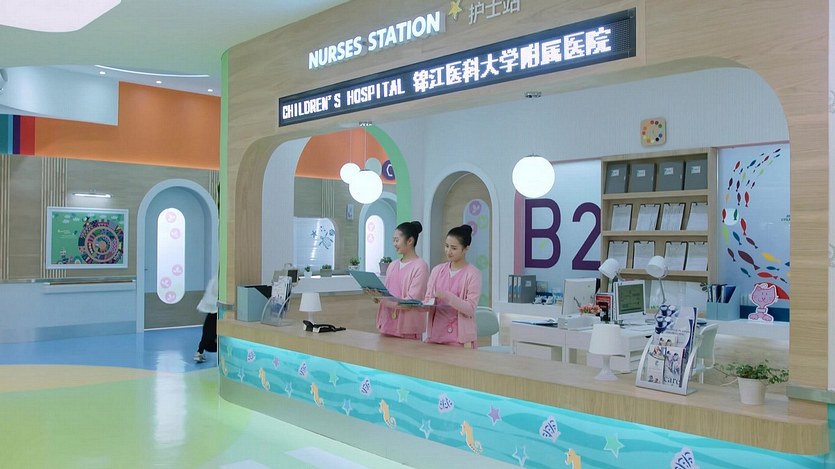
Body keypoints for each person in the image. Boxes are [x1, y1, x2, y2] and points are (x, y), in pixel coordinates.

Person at [424, 224, 481, 348]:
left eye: (454, 248)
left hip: (459, 340)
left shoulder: (473, 274)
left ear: (466, 249)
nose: (448, 251)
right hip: (435, 336)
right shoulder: (437, 270)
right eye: (446, 246)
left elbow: (470, 309)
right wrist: (415, 305)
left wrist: (447, 296)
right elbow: (428, 301)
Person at [375, 221, 429, 340]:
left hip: (407, 330)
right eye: (393, 240)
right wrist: (377, 295)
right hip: (387, 326)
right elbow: (386, 293)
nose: (394, 244)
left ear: (410, 241)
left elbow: (411, 302)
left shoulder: (420, 266)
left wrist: (383, 300)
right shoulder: (392, 265)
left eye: (397, 240)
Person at [194, 276, 218, 363]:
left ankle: (200, 352)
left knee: (208, 331)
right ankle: (200, 352)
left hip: (214, 307)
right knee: (210, 331)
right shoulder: (217, 279)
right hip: (217, 307)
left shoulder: (215, 279)